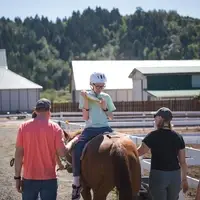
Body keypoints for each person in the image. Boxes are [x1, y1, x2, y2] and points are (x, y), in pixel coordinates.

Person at [71, 72, 116, 200]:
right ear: (92, 85)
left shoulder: (106, 97)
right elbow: (85, 117)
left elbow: (111, 117)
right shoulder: (85, 96)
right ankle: (76, 182)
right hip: (90, 129)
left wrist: (104, 107)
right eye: (98, 86)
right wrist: (85, 100)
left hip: (105, 128)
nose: (100, 88)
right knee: (77, 148)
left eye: (102, 86)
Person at [14, 98, 67, 200]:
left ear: (36, 111)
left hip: (29, 178)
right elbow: (62, 153)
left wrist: (17, 178)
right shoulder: (55, 128)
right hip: (49, 178)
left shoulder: (23, 127)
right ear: (49, 110)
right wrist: (72, 143)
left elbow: (18, 155)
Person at [137, 107, 189, 200]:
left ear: (160, 118)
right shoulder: (178, 137)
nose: (154, 119)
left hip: (159, 175)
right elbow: (183, 162)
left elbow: (139, 152)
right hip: (175, 176)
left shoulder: (152, 136)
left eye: (155, 117)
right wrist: (184, 179)